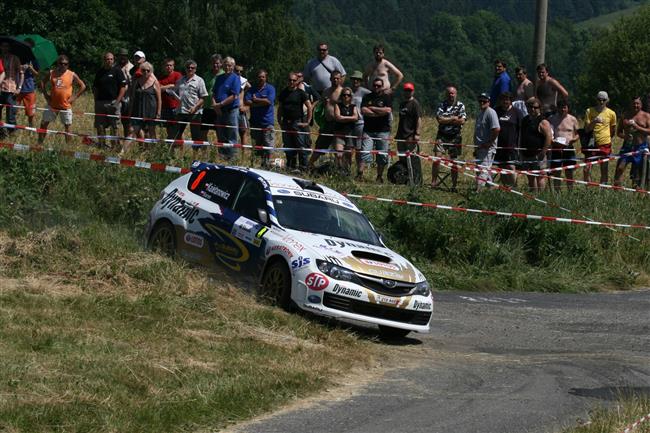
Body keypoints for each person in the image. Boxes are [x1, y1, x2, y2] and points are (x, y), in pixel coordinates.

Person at [38, 55, 86, 145]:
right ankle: (39, 144)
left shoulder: (72, 74)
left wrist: (74, 98)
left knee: (67, 127)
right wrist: (46, 95)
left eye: (65, 64)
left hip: (65, 106)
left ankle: (69, 148)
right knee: (44, 124)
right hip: (52, 104)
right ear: (58, 64)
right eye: (61, 63)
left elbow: (83, 86)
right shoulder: (52, 73)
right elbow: (42, 82)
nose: (63, 65)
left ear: (68, 65)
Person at [432, 85, 466, 190]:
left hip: (455, 137)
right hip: (442, 135)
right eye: (449, 93)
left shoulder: (460, 105)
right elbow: (440, 120)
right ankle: (434, 182)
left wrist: (447, 119)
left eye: (453, 93)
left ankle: (454, 185)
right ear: (446, 94)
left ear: (456, 94)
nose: (451, 95)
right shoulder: (442, 105)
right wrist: (453, 118)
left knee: (454, 162)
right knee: (437, 159)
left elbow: (462, 121)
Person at [92, 52, 127, 149]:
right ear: (104, 60)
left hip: (113, 102)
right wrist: (96, 101)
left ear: (113, 60)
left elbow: (123, 87)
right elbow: (95, 88)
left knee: (114, 126)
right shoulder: (100, 72)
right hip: (100, 103)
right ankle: (102, 145)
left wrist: (117, 102)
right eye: (107, 59)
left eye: (111, 59)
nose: (109, 61)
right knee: (100, 126)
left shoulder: (117, 71)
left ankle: (115, 147)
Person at [309, 70, 343, 169]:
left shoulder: (343, 92)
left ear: (340, 79)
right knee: (319, 146)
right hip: (327, 123)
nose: (335, 80)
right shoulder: (326, 91)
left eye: (337, 78)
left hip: (339, 124)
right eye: (333, 78)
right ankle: (310, 165)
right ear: (330, 79)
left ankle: (341, 169)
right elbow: (322, 107)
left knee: (338, 148)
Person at [361, 78, 393, 183]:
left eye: (378, 86)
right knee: (365, 152)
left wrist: (373, 108)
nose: (376, 87)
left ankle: (379, 176)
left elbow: (388, 110)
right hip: (368, 130)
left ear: (382, 87)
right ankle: (362, 174)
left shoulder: (386, 98)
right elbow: (363, 110)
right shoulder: (367, 97)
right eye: (374, 85)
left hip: (383, 131)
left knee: (382, 155)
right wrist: (379, 112)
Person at [277, 72, 311, 170]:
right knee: (288, 145)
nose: (291, 82)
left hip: (297, 123)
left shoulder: (301, 93)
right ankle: (291, 166)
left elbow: (309, 106)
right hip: (286, 123)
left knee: (301, 146)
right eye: (290, 80)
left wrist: (307, 121)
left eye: (294, 80)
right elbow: (280, 108)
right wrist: (279, 121)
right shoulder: (283, 93)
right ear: (287, 81)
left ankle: (303, 167)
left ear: (297, 81)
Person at [614, 96, 650, 187]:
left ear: (641, 105)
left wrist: (638, 128)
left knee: (637, 173)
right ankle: (616, 192)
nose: (636, 105)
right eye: (634, 103)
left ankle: (637, 194)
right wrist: (625, 136)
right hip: (627, 146)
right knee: (619, 168)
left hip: (641, 147)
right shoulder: (625, 116)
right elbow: (618, 132)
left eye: (638, 103)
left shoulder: (646, 116)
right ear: (631, 104)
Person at [520, 97, 553, 192]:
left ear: (540, 108)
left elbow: (549, 137)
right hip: (526, 154)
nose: (532, 109)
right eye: (530, 107)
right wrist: (521, 151)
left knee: (541, 176)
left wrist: (543, 152)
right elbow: (521, 136)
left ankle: (541, 196)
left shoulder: (543, 121)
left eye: (535, 107)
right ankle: (533, 196)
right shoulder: (525, 120)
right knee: (530, 176)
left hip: (538, 155)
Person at [584, 91, 617, 184]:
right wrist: (594, 121)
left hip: (605, 143)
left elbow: (613, 130)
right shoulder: (589, 111)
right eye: (599, 100)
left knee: (604, 169)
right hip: (591, 144)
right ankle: (589, 191)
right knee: (586, 169)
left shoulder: (612, 113)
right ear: (596, 100)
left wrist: (607, 139)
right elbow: (586, 129)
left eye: (604, 100)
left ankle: (603, 191)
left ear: (607, 100)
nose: (601, 102)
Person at [245, 69, 276, 168]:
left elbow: (269, 102)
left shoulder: (271, 88)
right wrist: (260, 103)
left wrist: (256, 100)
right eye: (259, 77)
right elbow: (247, 101)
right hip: (255, 122)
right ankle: (255, 165)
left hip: (267, 122)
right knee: (256, 146)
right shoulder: (251, 89)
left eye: (263, 77)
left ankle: (267, 166)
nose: (261, 79)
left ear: (266, 78)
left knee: (268, 146)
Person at [211, 56, 241, 161]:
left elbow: (234, 96)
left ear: (233, 66)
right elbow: (214, 93)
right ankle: (222, 158)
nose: (227, 67)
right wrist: (215, 105)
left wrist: (220, 104)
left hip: (231, 110)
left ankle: (232, 159)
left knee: (232, 135)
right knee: (220, 134)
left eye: (230, 65)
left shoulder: (236, 78)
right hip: (219, 111)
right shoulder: (219, 78)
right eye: (225, 65)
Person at [172, 59, 208, 143]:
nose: (190, 69)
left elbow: (203, 97)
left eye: (192, 68)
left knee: (196, 136)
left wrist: (195, 107)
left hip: (194, 112)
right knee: (176, 134)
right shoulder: (180, 80)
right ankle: (175, 154)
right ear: (185, 68)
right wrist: (173, 95)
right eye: (188, 67)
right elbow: (175, 92)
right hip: (181, 111)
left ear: (195, 69)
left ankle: (196, 155)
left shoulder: (199, 80)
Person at [127, 62, 161, 147]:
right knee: (132, 130)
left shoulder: (155, 82)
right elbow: (132, 97)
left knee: (151, 131)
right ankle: (123, 152)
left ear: (151, 71)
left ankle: (152, 151)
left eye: (148, 70)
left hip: (150, 111)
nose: (145, 72)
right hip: (138, 110)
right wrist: (130, 111)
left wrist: (158, 112)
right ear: (141, 71)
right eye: (143, 70)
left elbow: (159, 99)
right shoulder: (136, 82)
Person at [548, 100, 580, 190]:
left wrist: (573, 140)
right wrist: (551, 140)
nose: (562, 109)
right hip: (556, 149)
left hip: (568, 148)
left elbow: (578, 134)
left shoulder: (573, 119)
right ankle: (557, 192)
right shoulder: (552, 119)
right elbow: (549, 133)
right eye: (560, 107)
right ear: (557, 108)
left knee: (569, 171)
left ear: (567, 108)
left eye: (564, 107)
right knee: (556, 172)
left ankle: (570, 192)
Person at [395, 82, 422, 183]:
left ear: (413, 91)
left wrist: (417, 134)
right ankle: (405, 179)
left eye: (409, 90)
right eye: (406, 90)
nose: (407, 92)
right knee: (402, 159)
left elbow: (419, 119)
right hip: (401, 135)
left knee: (413, 159)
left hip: (411, 136)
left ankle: (416, 180)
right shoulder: (402, 104)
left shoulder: (415, 103)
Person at [494, 92, 522, 186]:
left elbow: (521, 128)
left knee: (510, 166)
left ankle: (514, 188)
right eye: (503, 99)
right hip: (499, 145)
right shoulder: (496, 111)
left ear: (511, 100)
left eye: (507, 99)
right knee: (501, 167)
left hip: (512, 146)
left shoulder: (516, 112)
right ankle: (506, 189)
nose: (505, 101)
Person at [474, 92, 500, 189]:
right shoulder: (480, 113)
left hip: (487, 148)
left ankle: (478, 193)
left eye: (484, 101)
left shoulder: (491, 112)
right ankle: (493, 191)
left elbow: (496, 129)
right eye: (480, 101)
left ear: (488, 102)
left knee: (482, 171)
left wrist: (490, 143)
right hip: (480, 148)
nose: (481, 103)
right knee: (483, 171)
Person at [0, 41, 24, 137]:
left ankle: (12, 135)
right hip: (0, 89)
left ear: (9, 48)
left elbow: (21, 73)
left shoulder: (15, 58)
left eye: (6, 46)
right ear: (1, 47)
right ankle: (1, 133)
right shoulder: (0, 58)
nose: (4, 48)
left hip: (11, 90)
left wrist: (19, 88)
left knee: (10, 115)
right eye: (3, 46)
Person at [349, 70, 371, 175]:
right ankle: (347, 170)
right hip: (348, 122)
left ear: (361, 81)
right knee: (348, 148)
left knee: (359, 148)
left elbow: (374, 96)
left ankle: (359, 171)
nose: (355, 81)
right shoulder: (347, 91)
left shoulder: (364, 92)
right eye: (353, 79)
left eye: (357, 80)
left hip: (360, 122)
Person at [333, 86, 359, 171]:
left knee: (348, 154)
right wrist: (349, 118)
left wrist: (343, 118)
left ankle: (347, 170)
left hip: (350, 133)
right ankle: (339, 169)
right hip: (339, 132)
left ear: (351, 96)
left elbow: (356, 117)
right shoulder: (337, 105)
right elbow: (337, 117)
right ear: (341, 96)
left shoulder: (353, 106)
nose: (346, 96)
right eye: (344, 95)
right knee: (339, 154)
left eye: (348, 95)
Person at [199, 54, 224, 143]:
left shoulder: (225, 75)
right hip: (207, 107)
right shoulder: (206, 75)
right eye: (213, 63)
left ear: (221, 64)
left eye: (217, 63)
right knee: (203, 132)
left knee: (220, 133)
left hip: (219, 108)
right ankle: (204, 154)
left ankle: (221, 155)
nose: (215, 65)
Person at [17, 38, 40, 128]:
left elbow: (37, 74)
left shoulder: (34, 59)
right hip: (17, 88)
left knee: (30, 112)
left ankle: (31, 127)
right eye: (25, 46)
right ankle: (13, 128)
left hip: (29, 89)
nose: (27, 48)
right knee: (13, 110)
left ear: (32, 48)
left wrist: (31, 68)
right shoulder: (18, 57)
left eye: (29, 47)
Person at [158, 58, 183, 139]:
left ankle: (180, 149)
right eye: (167, 65)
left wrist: (163, 87)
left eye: (170, 65)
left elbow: (178, 87)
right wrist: (169, 85)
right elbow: (158, 89)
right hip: (165, 107)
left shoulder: (177, 75)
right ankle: (171, 149)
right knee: (168, 129)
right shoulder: (161, 77)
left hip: (175, 107)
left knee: (178, 130)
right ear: (164, 67)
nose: (168, 67)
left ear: (173, 66)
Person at [116, 48, 133, 139]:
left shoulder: (132, 67)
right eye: (121, 56)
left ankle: (126, 143)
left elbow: (133, 84)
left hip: (127, 99)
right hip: (117, 99)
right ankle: (116, 142)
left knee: (127, 123)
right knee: (116, 123)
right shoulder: (115, 67)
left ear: (127, 56)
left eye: (124, 56)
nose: (122, 57)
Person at [235, 65, 251, 153]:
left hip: (241, 110)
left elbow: (250, 88)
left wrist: (245, 104)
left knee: (243, 132)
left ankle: (243, 155)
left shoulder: (243, 80)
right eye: (237, 71)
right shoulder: (229, 79)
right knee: (231, 132)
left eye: (241, 71)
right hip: (231, 110)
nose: (239, 73)